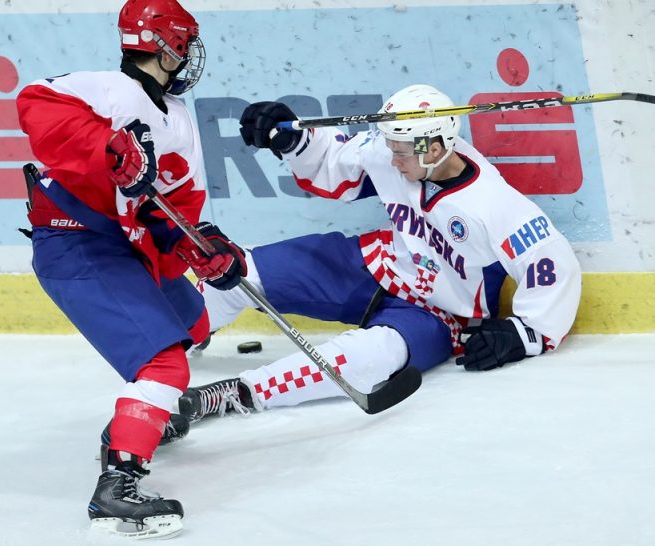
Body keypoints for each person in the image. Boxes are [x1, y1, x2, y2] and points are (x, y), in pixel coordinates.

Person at [177, 83, 582, 422]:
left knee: (373, 357)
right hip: (378, 263)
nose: (392, 158)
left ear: (436, 147)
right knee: (236, 273)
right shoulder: (401, 150)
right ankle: (170, 345)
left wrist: (525, 333)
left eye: (402, 151)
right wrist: (293, 139)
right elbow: (339, 165)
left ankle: (236, 393)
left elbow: (550, 261)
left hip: (438, 314)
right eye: (391, 147)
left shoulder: (491, 203)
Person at [15, 0, 246, 538]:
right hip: (77, 245)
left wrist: (199, 246)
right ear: (165, 45)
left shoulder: (177, 120)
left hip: (127, 246)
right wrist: (106, 148)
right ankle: (117, 489)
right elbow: (35, 106)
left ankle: (131, 424)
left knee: (192, 323)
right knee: (165, 364)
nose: (187, 55)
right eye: (183, 44)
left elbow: (170, 207)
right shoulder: (102, 90)